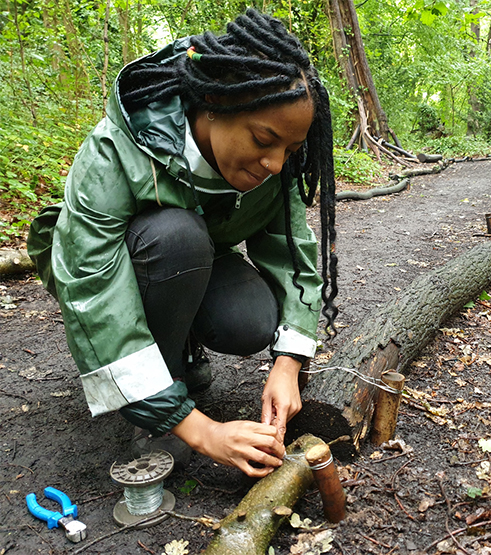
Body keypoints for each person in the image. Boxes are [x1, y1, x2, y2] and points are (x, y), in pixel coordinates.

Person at [26, 8, 338, 478]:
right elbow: (91, 285)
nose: (275, 164)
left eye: (289, 151)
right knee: (177, 239)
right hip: (115, 263)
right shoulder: (118, 150)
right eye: (263, 140)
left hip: (195, 259)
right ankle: (159, 401)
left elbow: (292, 253)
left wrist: (289, 363)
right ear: (214, 101)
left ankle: (180, 348)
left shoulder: (275, 168)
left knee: (250, 320)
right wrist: (198, 429)